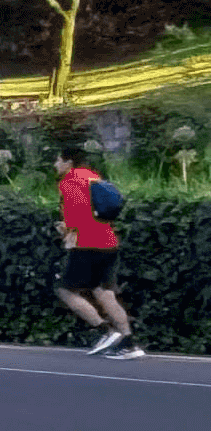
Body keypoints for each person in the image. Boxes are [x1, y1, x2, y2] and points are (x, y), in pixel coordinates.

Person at [55, 148, 140, 356]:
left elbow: (75, 220)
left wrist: (63, 228)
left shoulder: (69, 182)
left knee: (65, 290)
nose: (55, 164)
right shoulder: (93, 177)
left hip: (87, 244)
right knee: (104, 293)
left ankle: (106, 331)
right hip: (109, 241)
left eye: (57, 160)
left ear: (68, 162)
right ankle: (129, 343)